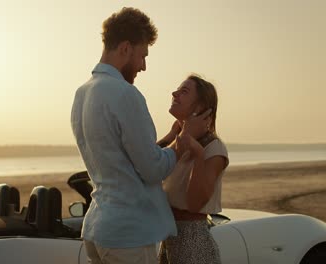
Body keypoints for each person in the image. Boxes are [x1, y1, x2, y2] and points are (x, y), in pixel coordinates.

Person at [70, 7, 210, 264]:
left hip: (97, 230)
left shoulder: (82, 94)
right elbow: (152, 169)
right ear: (125, 48)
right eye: (142, 55)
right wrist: (183, 141)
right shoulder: (125, 94)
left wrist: (168, 139)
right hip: (128, 235)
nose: (143, 66)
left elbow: (123, 158)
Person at [157, 75, 229, 264]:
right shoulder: (176, 143)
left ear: (199, 106)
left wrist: (198, 154)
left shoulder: (214, 148)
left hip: (192, 242)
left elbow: (196, 203)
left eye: (184, 91)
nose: (174, 93)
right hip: (168, 240)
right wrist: (173, 134)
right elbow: (149, 166)